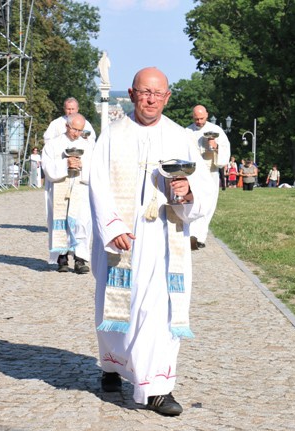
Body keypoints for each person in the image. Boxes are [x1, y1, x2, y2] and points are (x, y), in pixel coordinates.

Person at [88, 67, 215, 416]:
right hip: (124, 238)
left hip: (163, 239)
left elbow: (203, 186)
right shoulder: (112, 135)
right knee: (116, 306)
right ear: (131, 94)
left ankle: (158, 387)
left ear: (167, 97)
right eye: (144, 92)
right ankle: (113, 366)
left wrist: (187, 193)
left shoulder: (180, 137)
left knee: (159, 309)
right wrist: (112, 227)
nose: (150, 99)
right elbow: (97, 183)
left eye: (157, 94)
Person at [41, 113, 93, 274]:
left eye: (80, 130)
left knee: (81, 223)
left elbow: (95, 168)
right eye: (74, 129)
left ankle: (80, 258)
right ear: (66, 126)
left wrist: (81, 164)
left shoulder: (89, 146)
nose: (76, 133)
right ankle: (62, 258)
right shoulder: (53, 145)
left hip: (80, 187)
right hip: (59, 187)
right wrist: (66, 164)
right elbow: (47, 167)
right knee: (59, 221)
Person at [186, 105, 231, 249]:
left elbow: (225, 151)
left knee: (208, 205)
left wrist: (216, 146)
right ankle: (192, 235)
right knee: (194, 203)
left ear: (207, 115)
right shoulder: (187, 131)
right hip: (194, 173)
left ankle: (200, 236)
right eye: (196, 119)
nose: (199, 121)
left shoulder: (216, 131)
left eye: (202, 118)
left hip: (210, 171)